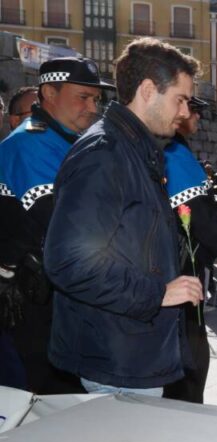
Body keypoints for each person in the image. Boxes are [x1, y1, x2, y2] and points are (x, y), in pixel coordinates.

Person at [43, 37, 204, 395]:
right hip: (115, 359)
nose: (184, 111)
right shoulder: (105, 153)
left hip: (129, 349)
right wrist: (157, 293)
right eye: (180, 99)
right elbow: (68, 261)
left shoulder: (135, 149)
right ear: (148, 90)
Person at [0, 57, 114, 394]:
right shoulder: (30, 142)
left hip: (58, 300)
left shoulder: (66, 140)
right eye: (83, 97)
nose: (92, 107)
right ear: (49, 92)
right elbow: (65, 222)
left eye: (96, 99)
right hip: (34, 306)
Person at [162, 96, 217, 403]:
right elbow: (197, 213)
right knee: (191, 354)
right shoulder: (176, 153)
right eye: (196, 112)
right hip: (182, 268)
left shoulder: (168, 148)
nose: (198, 120)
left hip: (169, 264)